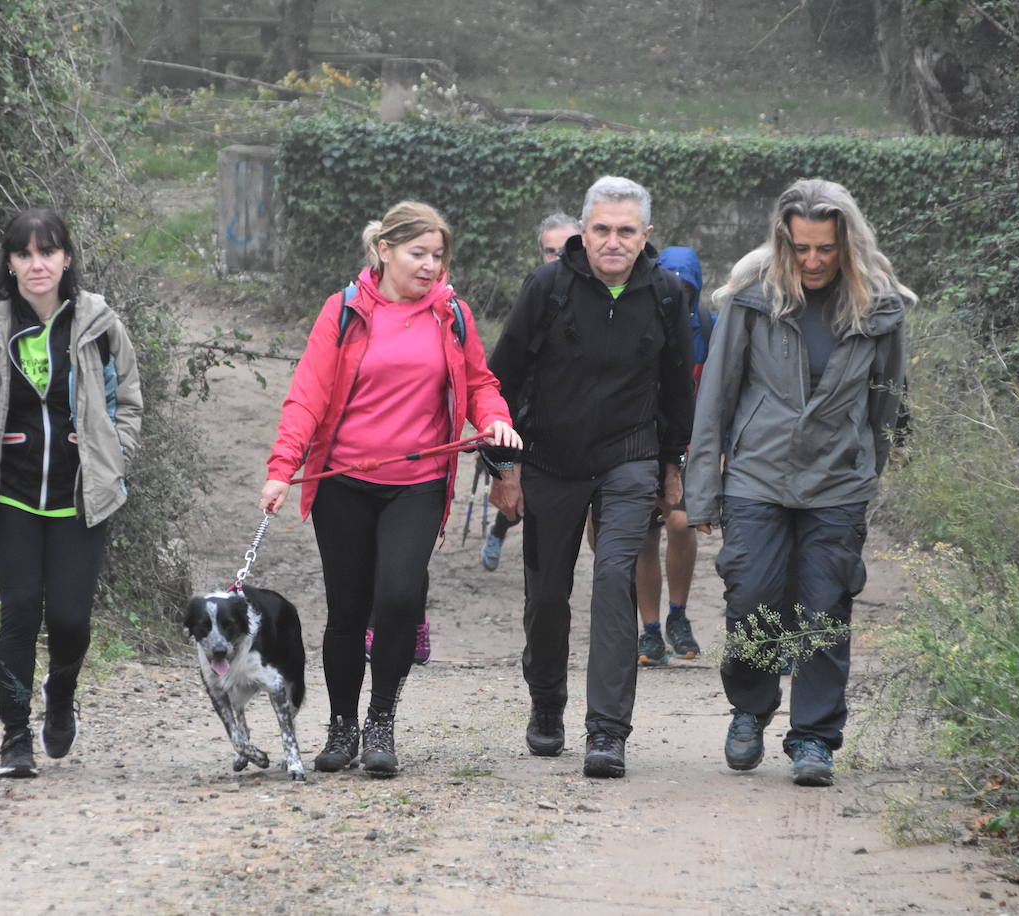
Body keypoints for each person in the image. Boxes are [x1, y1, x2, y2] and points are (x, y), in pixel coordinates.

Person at [261, 201, 520, 778]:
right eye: (418, 254)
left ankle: (381, 722)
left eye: (438, 256)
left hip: (419, 484)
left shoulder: (451, 313)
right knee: (348, 610)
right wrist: (283, 467)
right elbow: (307, 393)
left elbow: (480, 382)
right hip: (343, 482)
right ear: (385, 250)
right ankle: (342, 727)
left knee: (400, 598)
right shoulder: (346, 310)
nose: (430, 266)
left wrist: (494, 419)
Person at [684, 178, 911, 787]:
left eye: (826, 249)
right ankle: (750, 709)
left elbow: (887, 404)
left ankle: (814, 736)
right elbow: (716, 400)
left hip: (837, 484)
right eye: (801, 247)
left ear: (848, 245)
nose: (813, 261)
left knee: (824, 608)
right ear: (783, 241)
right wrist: (702, 490)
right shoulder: (753, 299)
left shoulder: (880, 307)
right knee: (751, 599)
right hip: (757, 477)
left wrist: (865, 471)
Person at [488, 176, 695, 778]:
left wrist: (673, 464)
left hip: (628, 458)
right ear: (584, 231)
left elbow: (678, 386)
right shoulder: (547, 287)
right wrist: (503, 467)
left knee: (613, 579)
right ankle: (547, 702)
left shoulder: (666, 294)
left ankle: (607, 731)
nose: (612, 241)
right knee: (547, 594)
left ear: (646, 236)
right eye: (601, 229)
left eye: (626, 231)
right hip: (550, 458)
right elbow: (500, 381)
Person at [0, 208, 143, 779]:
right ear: (9, 262)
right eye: (25, 254)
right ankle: (14, 738)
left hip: (81, 496)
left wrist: (117, 455)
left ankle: (60, 695)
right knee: (20, 610)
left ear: (66, 259)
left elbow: (127, 397)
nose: (37, 264)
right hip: (11, 495)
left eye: (48, 252)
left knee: (72, 619)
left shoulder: (98, 323)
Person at [479, 211, 581, 572]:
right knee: (519, 497)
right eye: (549, 251)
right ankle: (500, 530)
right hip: (526, 413)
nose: (558, 258)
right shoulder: (537, 288)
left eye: (566, 248)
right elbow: (506, 365)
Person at [633, 245, 709, 666]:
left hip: (692, 446)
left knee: (681, 523)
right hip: (644, 442)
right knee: (645, 535)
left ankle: (677, 615)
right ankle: (649, 631)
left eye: (687, 287)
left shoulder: (711, 329)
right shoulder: (643, 320)